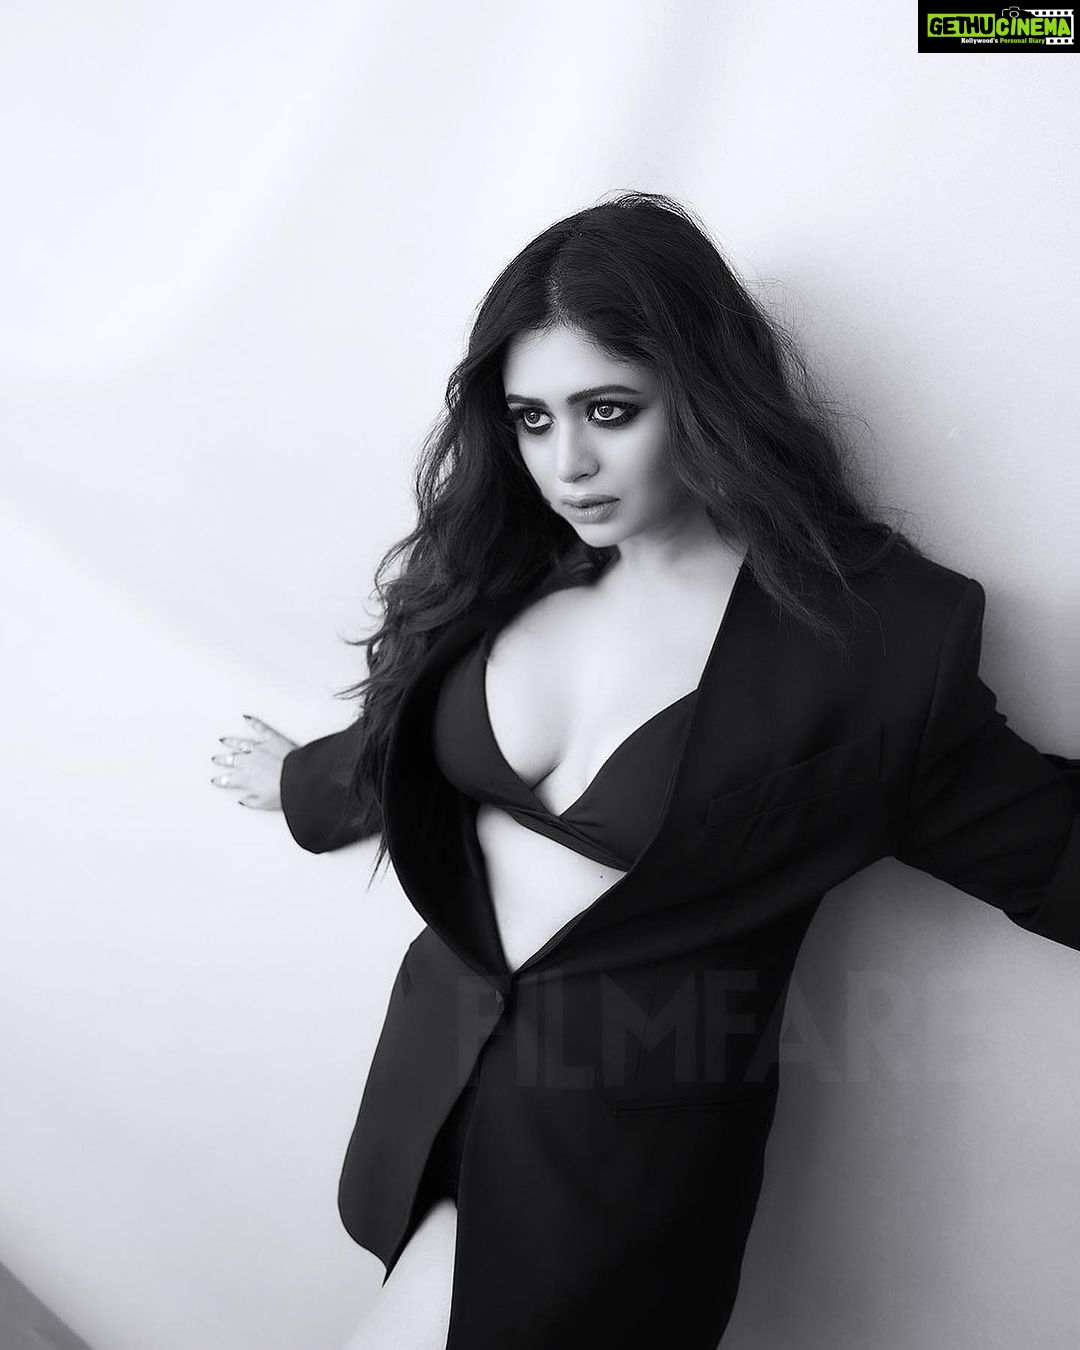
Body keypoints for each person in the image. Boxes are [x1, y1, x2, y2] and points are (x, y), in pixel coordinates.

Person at [210, 192, 1079, 1349]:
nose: (566, 464)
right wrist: (309, 783)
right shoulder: (508, 567)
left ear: (704, 392)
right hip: (436, 1087)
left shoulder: (873, 645)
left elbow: (1049, 850)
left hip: (621, 1172)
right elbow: (420, 743)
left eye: (608, 412)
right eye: (531, 420)